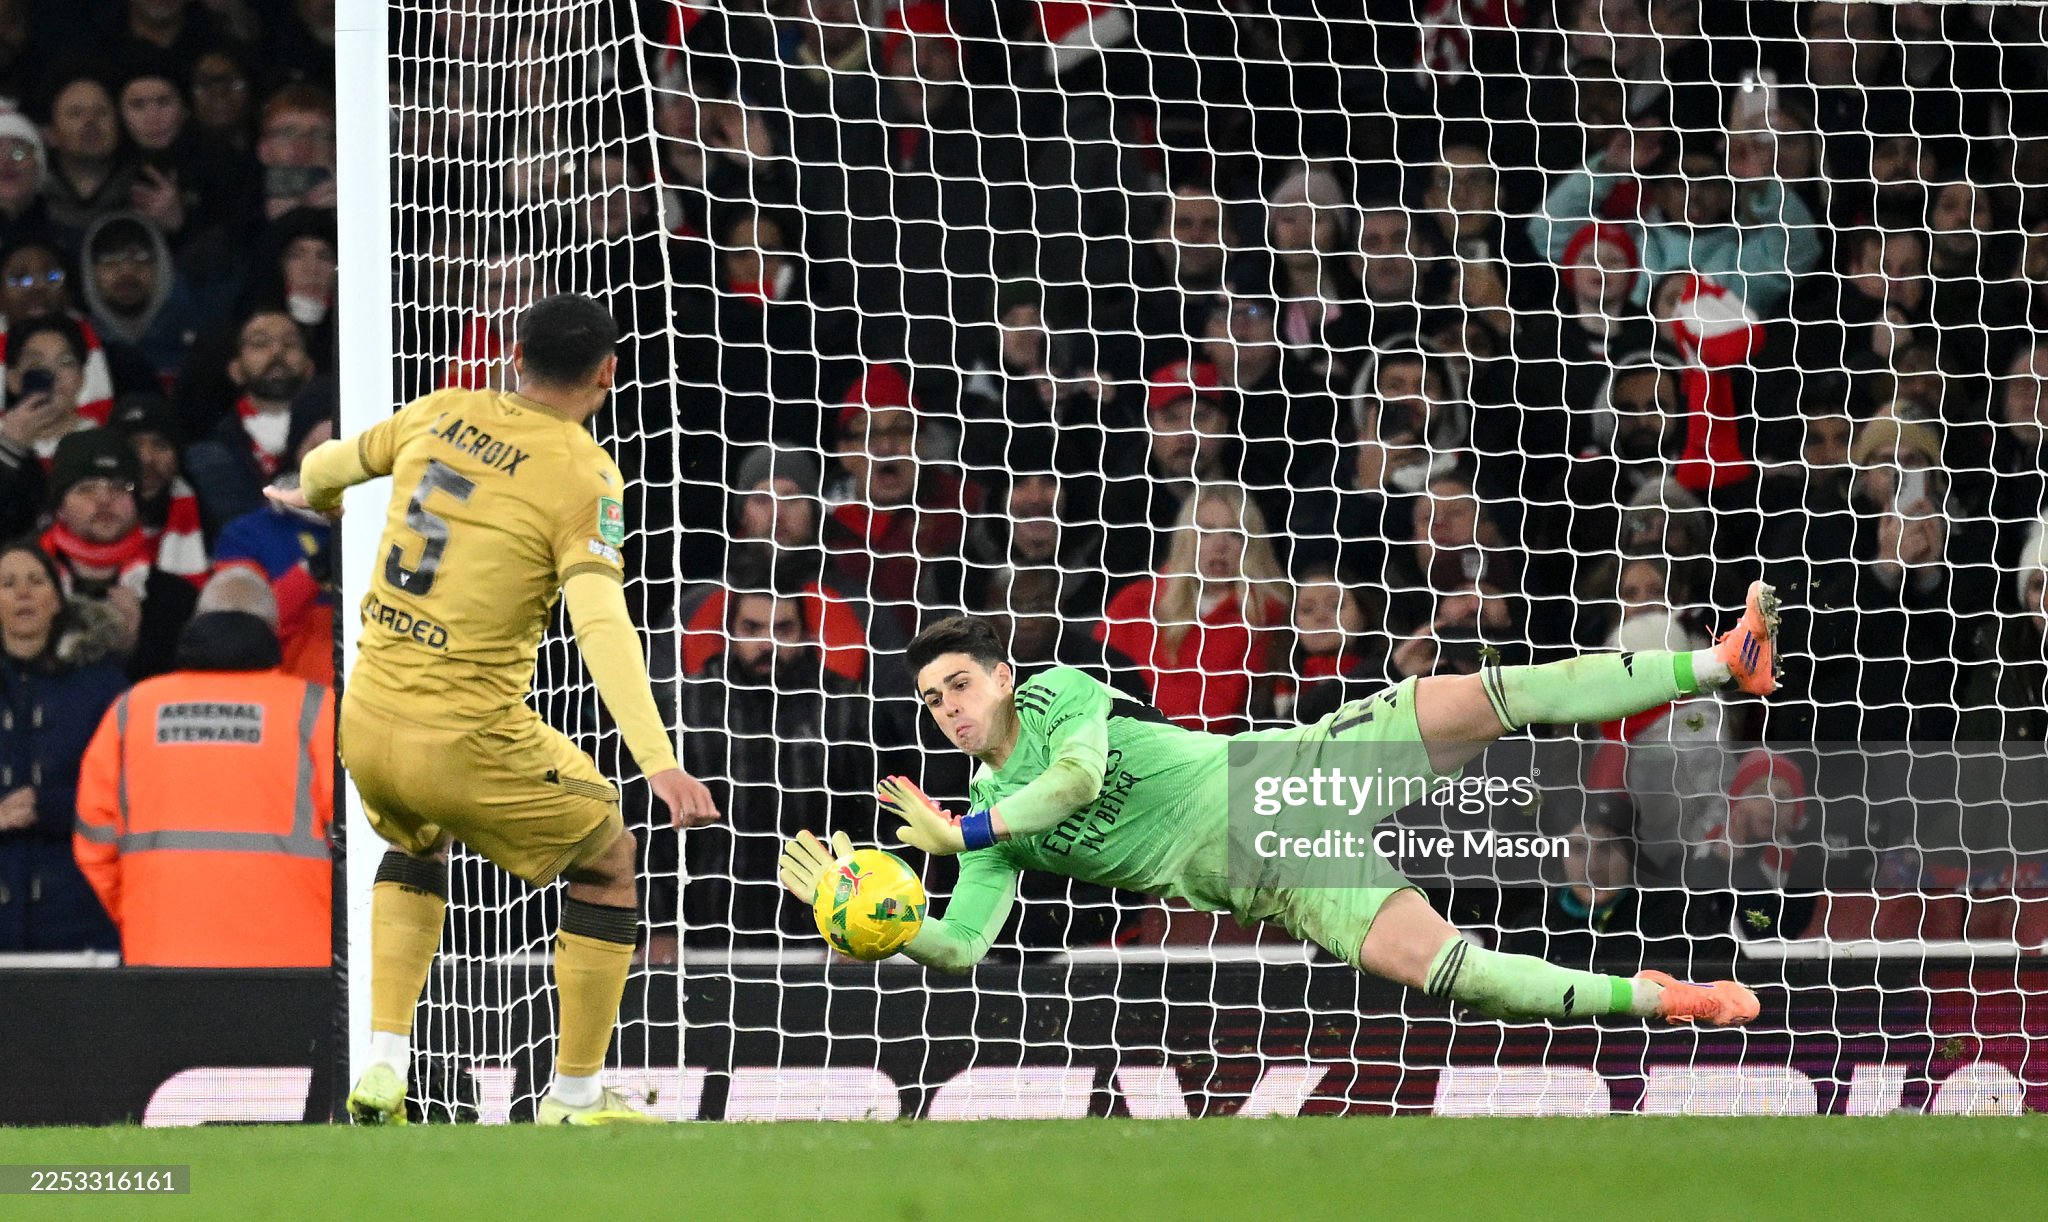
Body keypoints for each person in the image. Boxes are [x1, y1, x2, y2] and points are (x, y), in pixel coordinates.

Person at [780, 600, 1782, 1027]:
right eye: (932, 700)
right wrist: (888, 925)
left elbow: (1078, 781)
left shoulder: (1054, 698)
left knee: (1491, 693)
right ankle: (1661, 998)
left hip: (1292, 772)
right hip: (1282, 879)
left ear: (1001, 676)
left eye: (959, 685)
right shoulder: (992, 819)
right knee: (1458, 975)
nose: (949, 709)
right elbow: (960, 949)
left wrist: (966, 833)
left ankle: (1715, 661)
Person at [266, 293, 721, 1125]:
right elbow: (599, 619)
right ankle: (577, 1098)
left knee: (414, 840)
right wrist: (657, 758)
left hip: (365, 722)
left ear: (514, 357)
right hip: (464, 735)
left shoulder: (441, 410)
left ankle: (382, 1067)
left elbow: (333, 464)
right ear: (607, 373)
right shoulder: (584, 473)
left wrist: (309, 493)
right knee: (610, 858)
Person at [71, 606, 333, 967]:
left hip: (161, 951)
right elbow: (366, 835)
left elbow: (94, 841)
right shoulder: (316, 709)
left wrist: (137, 909)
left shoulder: (134, 708)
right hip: (297, 959)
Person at [0, 540, 125, 952]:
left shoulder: (102, 684)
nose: (22, 593)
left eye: (36, 581)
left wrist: (47, 807)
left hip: (79, 912)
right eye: (7, 583)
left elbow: (128, 790)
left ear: (57, 599)